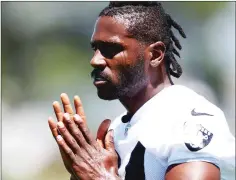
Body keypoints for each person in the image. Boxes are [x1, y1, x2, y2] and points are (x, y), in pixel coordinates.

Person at [48, 2, 235, 180]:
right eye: (95, 48)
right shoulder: (116, 130)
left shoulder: (190, 120)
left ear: (155, 54)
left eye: (111, 49)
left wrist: (98, 176)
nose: (95, 60)